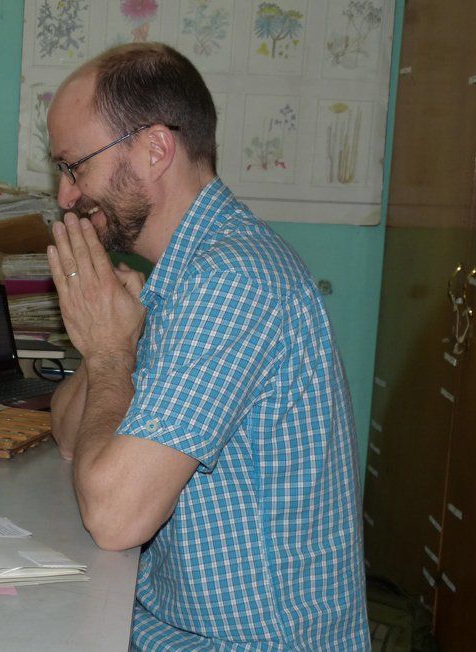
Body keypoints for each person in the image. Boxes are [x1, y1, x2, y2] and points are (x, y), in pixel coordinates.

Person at [44, 42, 369, 650]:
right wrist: (103, 347)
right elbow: (68, 439)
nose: (65, 196)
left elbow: (114, 518)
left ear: (155, 149)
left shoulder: (233, 280)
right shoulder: (183, 274)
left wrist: (115, 355)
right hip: (176, 626)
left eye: (74, 166)